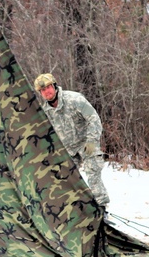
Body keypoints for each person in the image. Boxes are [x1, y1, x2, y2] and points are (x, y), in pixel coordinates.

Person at [33, 73, 110, 207]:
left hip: (86, 142)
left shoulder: (74, 99)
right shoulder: (45, 112)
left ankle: (102, 207)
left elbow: (94, 119)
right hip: (68, 149)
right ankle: (78, 211)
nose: (46, 92)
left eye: (48, 88)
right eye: (42, 90)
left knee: (92, 172)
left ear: (54, 86)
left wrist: (91, 141)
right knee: (65, 180)